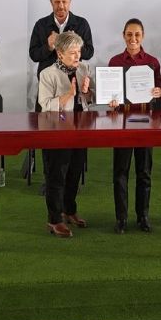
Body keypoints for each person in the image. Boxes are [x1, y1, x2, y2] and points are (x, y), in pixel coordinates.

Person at [28, 0, 94, 191]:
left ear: (70, 2)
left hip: (73, 83)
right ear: (51, 3)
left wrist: (74, 48)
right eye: (57, 2)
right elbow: (33, 54)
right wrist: (49, 46)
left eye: (64, 1)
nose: (61, 6)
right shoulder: (41, 25)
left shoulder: (81, 23)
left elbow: (90, 51)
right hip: (49, 85)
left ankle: (71, 184)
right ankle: (50, 181)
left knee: (75, 138)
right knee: (49, 137)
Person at [107, 18, 161, 234]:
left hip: (145, 123)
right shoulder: (115, 62)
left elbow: (159, 94)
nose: (133, 39)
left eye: (137, 34)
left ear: (143, 36)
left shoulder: (152, 62)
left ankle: (143, 216)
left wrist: (159, 93)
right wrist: (111, 101)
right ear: (123, 35)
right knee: (120, 172)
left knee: (144, 172)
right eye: (129, 34)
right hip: (122, 123)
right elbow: (110, 93)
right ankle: (121, 218)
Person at [38, 31, 94, 237]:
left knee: (75, 172)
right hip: (56, 130)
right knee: (56, 175)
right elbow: (45, 106)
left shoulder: (84, 69)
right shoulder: (47, 74)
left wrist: (87, 92)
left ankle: (69, 211)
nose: (77, 56)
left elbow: (90, 99)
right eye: (72, 52)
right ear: (60, 53)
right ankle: (54, 220)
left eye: (78, 51)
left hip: (80, 130)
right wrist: (69, 94)